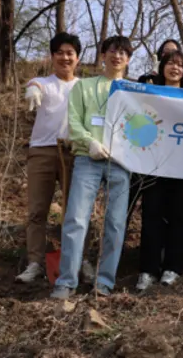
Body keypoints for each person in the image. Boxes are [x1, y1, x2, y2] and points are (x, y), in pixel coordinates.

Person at [51, 35, 133, 299]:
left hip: (121, 163)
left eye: (123, 52)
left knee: (116, 223)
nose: (117, 56)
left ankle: (105, 282)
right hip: (88, 159)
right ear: (102, 55)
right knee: (75, 218)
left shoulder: (135, 92)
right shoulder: (83, 87)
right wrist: (90, 142)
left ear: (128, 59)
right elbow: (74, 122)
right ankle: (66, 281)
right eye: (112, 51)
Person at [16, 32, 93, 284]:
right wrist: (32, 89)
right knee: (37, 210)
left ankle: (79, 259)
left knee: (76, 210)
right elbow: (33, 84)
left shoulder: (84, 87)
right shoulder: (44, 82)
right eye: (59, 52)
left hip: (75, 154)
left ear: (78, 58)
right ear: (52, 57)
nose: (65, 57)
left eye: (70, 53)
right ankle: (35, 262)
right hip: (42, 151)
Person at [135, 51, 183, 291]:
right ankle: (148, 269)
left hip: (181, 166)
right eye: (170, 63)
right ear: (162, 68)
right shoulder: (149, 93)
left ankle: (173, 267)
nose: (175, 68)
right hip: (153, 164)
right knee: (151, 216)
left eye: (180, 65)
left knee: (179, 217)